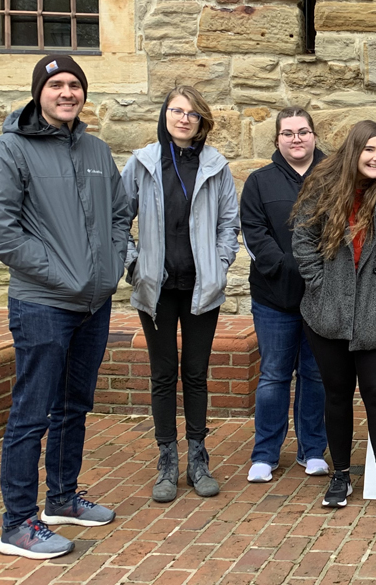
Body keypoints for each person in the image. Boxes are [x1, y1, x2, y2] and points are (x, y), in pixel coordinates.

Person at [0, 55, 131, 559]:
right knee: (32, 413)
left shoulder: (95, 149)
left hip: (93, 303)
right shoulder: (11, 150)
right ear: (38, 92)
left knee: (74, 407)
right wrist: (64, 274)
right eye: (57, 84)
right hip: (43, 303)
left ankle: (62, 499)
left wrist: (110, 267)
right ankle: (16, 524)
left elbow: (118, 212)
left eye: (75, 85)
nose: (67, 92)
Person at [122, 85, 240, 503]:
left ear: (201, 120)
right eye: (176, 110)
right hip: (156, 287)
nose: (184, 118)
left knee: (195, 373)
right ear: (165, 115)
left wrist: (220, 263)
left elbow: (230, 222)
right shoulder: (143, 163)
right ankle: (167, 461)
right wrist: (134, 264)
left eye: (191, 113)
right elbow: (120, 220)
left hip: (200, 288)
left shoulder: (216, 165)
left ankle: (198, 459)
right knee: (162, 375)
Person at [292, 120, 376, 520]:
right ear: (354, 151)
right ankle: (340, 475)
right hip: (328, 313)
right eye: (370, 150)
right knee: (338, 394)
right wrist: (322, 287)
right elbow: (303, 242)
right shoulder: (322, 189)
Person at [241, 107, 329, 483]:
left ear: (314, 136)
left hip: (323, 297)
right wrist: (288, 267)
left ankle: (313, 450)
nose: (297, 138)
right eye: (289, 132)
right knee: (274, 376)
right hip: (274, 298)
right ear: (277, 139)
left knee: (315, 375)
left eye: (304, 131)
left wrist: (321, 273)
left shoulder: (333, 176)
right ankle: (265, 453)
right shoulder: (259, 181)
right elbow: (254, 233)